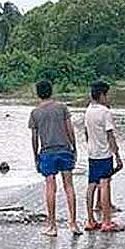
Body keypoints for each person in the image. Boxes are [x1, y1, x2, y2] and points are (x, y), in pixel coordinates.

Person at [29, 80, 81, 237]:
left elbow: (34, 137)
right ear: (51, 91)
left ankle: (52, 226)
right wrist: (74, 147)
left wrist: (35, 156)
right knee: (69, 186)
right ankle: (73, 223)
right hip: (64, 149)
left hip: (47, 152)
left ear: (38, 93)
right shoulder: (62, 107)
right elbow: (69, 128)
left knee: (50, 188)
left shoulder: (35, 113)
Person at [84, 81, 124, 232]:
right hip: (104, 154)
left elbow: (86, 133)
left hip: (92, 153)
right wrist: (117, 155)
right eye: (107, 95)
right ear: (101, 95)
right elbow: (110, 135)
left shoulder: (88, 110)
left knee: (91, 185)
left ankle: (90, 220)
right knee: (105, 184)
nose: (108, 98)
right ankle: (107, 222)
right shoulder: (105, 112)